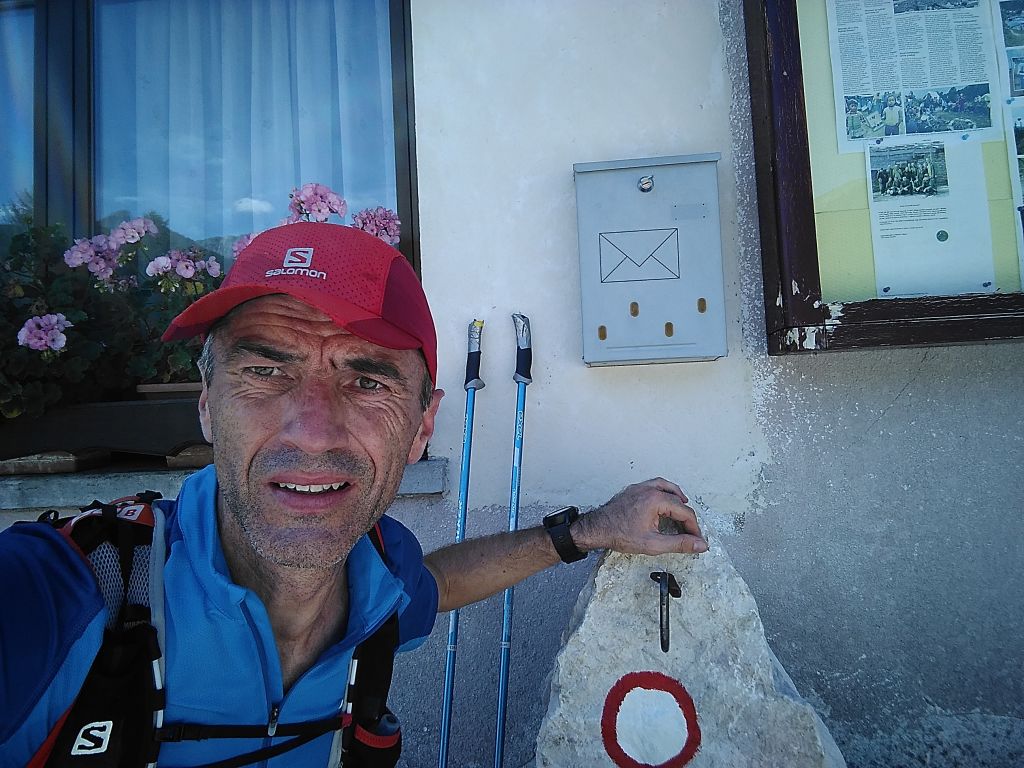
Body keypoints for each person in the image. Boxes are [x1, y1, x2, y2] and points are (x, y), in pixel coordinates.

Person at [1, 221, 707, 766]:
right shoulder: (58, 594)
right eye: (265, 372)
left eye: (366, 381)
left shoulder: (376, 578)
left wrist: (591, 529)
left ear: (422, 425)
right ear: (208, 404)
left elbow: (436, 584)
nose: (312, 432)